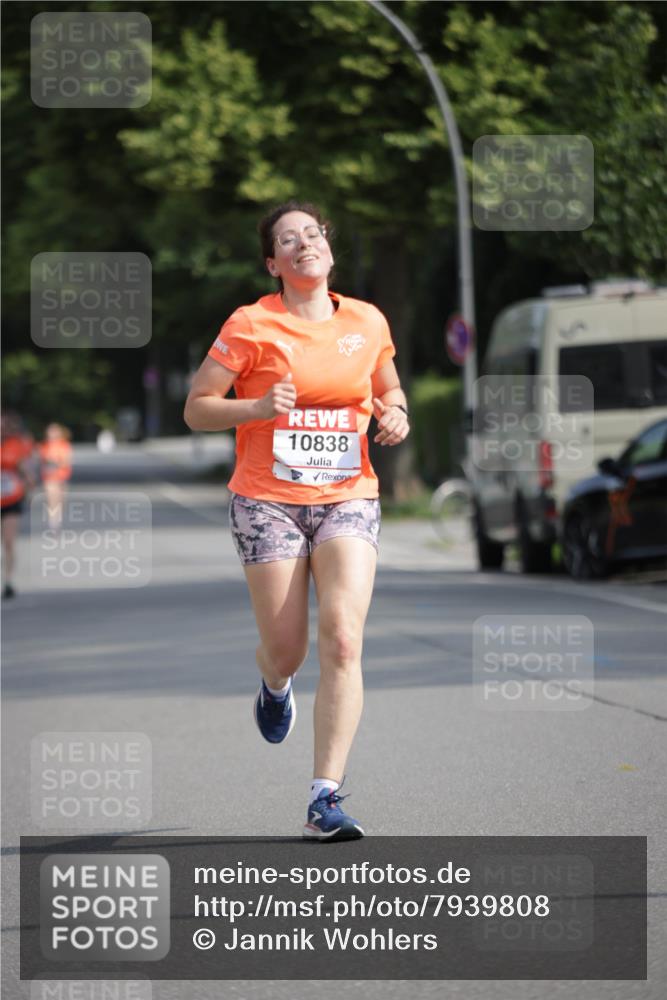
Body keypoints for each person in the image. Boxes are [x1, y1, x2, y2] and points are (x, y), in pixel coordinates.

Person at [184, 201, 409, 841]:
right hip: (267, 501)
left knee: (342, 639)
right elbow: (198, 409)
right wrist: (254, 405)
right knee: (290, 648)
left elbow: (388, 392)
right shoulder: (251, 324)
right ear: (273, 263)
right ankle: (273, 681)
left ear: (328, 250)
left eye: (312, 234)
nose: (303, 244)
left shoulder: (366, 320)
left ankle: (324, 798)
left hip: (347, 496)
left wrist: (397, 415)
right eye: (289, 239)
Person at [1, 412, 35, 599]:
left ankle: (8, 580)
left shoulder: (15, 446)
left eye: (4, 426)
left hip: (10, 498)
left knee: (8, 541)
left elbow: (25, 470)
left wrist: (29, 484)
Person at [39, 423, 72, 532]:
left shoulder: (64, 445)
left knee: (61, 499)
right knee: (52, 499)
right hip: (50, 477)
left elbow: (67, 460)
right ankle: (54, 521)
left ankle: (58, 517)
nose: (53, 433)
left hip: (62, 476)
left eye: (55, 431)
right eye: (51, 431)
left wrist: (58, 462)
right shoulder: (44, 446)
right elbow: (41, 461)